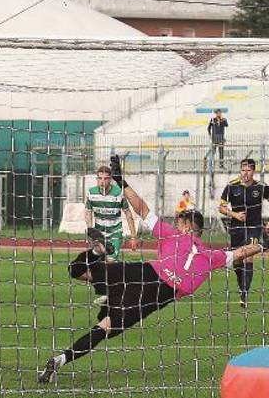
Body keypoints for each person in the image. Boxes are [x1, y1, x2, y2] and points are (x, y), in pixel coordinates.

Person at [38, 155, 265, 384]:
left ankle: (96, 252)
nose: (176, 221)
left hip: (141, 272)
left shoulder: (173, 234)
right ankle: (60, 360)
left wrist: (121, 182)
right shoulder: (212, 256)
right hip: (155, 296)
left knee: (78, 271)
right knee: (105, 327)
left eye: (179, 220)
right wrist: (262, 243)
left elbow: (142, 209)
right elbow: (240, 253)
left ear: (187, 226)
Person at [83, 165, 138, 304]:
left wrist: (133, 236)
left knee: (110, 262)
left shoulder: (119, 193)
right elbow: (88, 212)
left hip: (115, 232)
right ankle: (126, 278)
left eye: (106, 178)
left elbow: (128, 213)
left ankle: (110, 294)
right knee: (98, 264)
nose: (103, 181)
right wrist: (90, 230)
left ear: (111, 180)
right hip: (99, 234)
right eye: (100, 178)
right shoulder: (91, 193)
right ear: (97, 179)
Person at [219, 158, 269, 307]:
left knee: (248, 256)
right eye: (243, 170)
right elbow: (221, 207)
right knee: (237, 259)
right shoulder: (231, 186)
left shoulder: (261, 186)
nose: (245, 173)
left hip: (254, 227)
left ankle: (244, 294)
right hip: (236, 229)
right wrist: (235, 215)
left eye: (248, 170)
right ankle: (242, 285)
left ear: (253, 171)